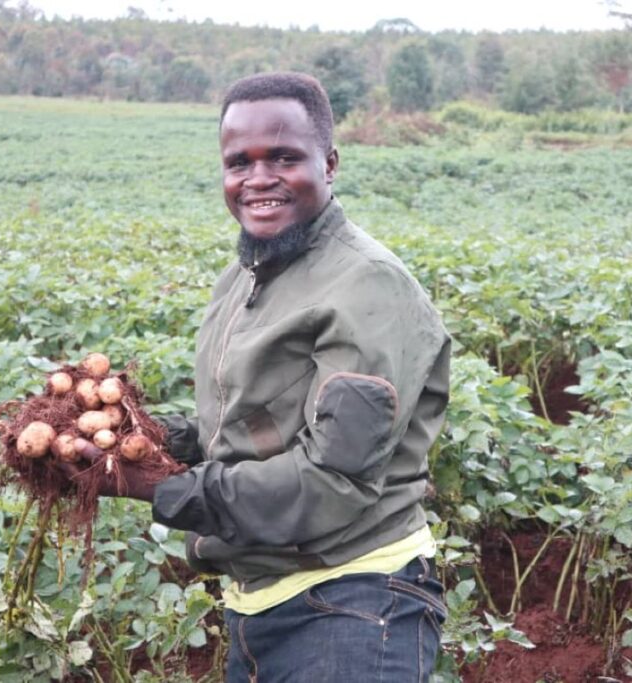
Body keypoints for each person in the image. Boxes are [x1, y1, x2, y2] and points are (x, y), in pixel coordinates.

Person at [76, 72, 451, 682]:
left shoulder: (367, 285)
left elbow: (333, 479)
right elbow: (248, 430)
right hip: (262, 606)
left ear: (328, 164)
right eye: (238, 162)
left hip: (352, 604)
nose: (258, 179)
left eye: (284, 157)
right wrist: (132, 436)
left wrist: (154, 487)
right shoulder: (247, 276)